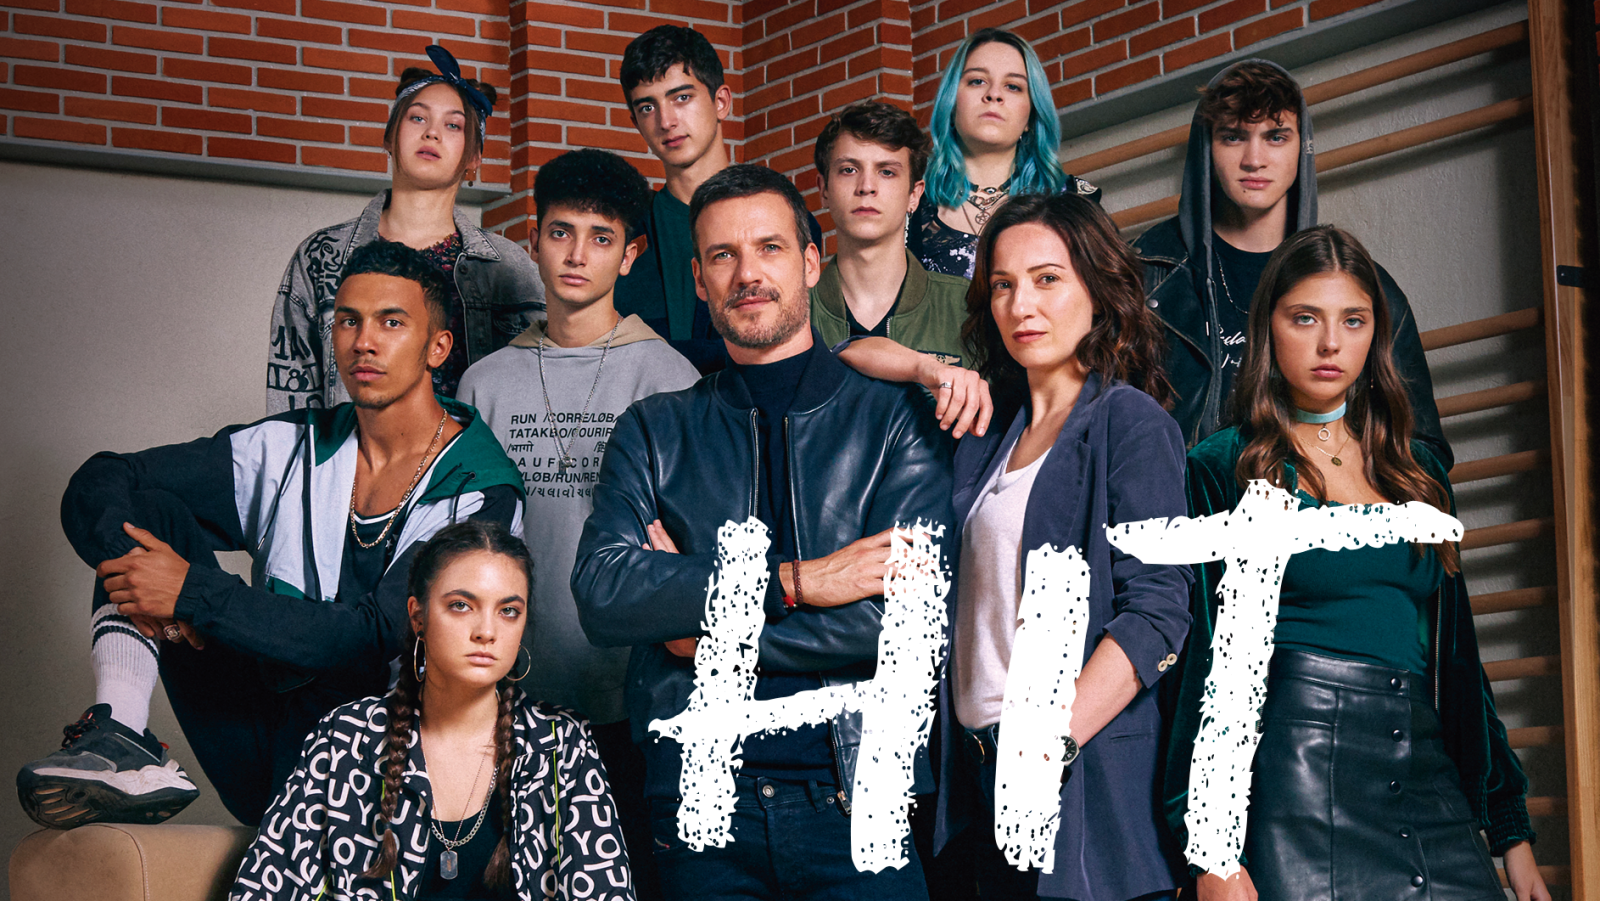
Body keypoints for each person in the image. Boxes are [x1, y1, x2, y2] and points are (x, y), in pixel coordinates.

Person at [20, 241, 525, 829]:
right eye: (348, 321)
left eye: (391, 322)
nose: (364, 341)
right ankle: (120, 735)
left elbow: (367, 639)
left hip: (383, 773)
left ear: (437, 347)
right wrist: (156, 592)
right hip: (257, 743)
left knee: (312, 639)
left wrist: (192, 596)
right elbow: (100, 480)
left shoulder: (479, 490)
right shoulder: (289, 446)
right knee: (148, 514)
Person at [571, 164, 954, 901]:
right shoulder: (654, 430)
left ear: (810, 262)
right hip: (698, 807)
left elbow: (907, 625)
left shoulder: (895, 422)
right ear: (699, 279)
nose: (747, 274)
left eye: (769, 248)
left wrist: (700, 632)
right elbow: (604, 593)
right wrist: (799, 582)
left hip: (860, 796)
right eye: (723, 255)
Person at [1168, 226, 1548, 901]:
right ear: (1269, 328)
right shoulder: (1222, 467)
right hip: (1297, 784)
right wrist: (1212, 852)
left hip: (1427, 777)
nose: (1330, 343)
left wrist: (1510, 833)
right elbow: (1204, 671)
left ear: (1377, 334)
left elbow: (1461, 665)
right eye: (1304, 318)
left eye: (1353, 320)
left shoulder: (1420, 472)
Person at [926, 193, 1190, 901]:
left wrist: (1048, 742)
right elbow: (846, 355)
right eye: (1003, 285)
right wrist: (927, 371)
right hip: (978, 785)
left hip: (1080, 781)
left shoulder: (1129, 421)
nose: (1022, 306)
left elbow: (1159, 613)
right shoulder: (986, 435)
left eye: (1047, 279)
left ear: (1096, 291)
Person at [457, 147, 700, 901]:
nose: (576, 255)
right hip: (510, 695)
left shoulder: (671, 378)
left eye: (601, 238)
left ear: (630, 255)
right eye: (561, 232)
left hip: (634, 699)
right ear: (533, 240)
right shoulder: (483, 382)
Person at [230, 520, 636, 901]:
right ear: (418, 616)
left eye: (508, 611)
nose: (487, 631)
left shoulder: (562, 746)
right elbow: (261, 889)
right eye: (461, 605)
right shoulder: (346, 739)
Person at [1132, 60, 1448, 464]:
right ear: (1207, 148)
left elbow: (1422, 448)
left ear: (1302, 147)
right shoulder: (1144, 274)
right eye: (1233, 137)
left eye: (1276, 137)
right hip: (1185, 502)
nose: (1254, 159)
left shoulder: (1367, 287)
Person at [267, 43, 543, 413]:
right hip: (354, 450)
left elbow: (538, 392)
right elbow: (292, 395)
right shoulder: (321, 256)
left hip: (472, 450)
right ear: (389, 137)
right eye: (417, 118)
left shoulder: (509, 266)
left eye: (453, 125)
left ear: (474, 157)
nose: (432, 134)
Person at [613, 25, 822, 374]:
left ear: (721, 102)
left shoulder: (782, 218)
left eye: (682, 98)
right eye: (648, 107)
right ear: (635, 122)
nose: (666, 121)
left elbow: (786, 345)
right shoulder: (623, 235)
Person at [910, 27, 1101, 280]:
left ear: (1031, 116)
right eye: (977, 81)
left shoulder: (1075, 200)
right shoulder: (908, 204)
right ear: (951, 103)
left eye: (1012, 86)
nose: (994, 94)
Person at [809, 100, 971, 366]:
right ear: (824, 189)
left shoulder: (966, 308)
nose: (866, 187)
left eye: (886, 172)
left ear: (914, 195)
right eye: (849, 170)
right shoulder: (792, 313)